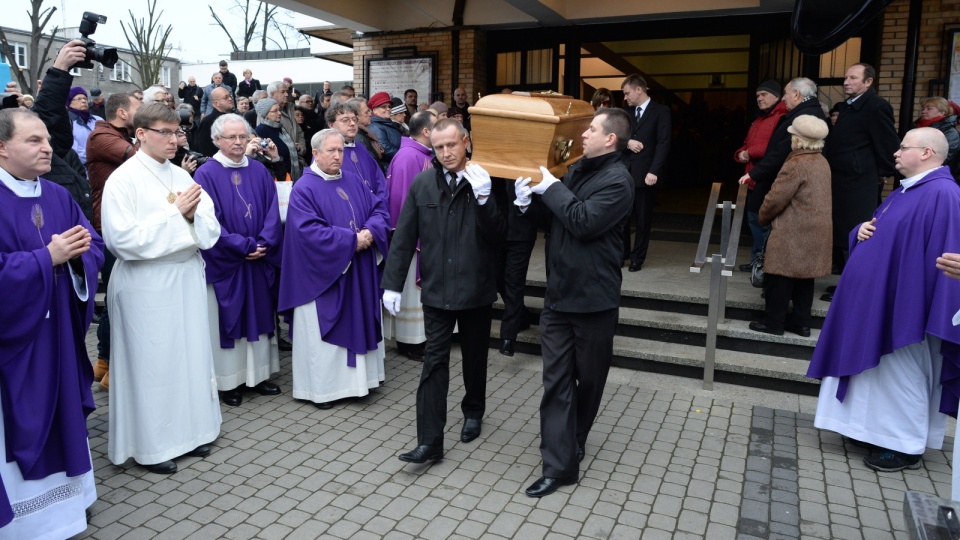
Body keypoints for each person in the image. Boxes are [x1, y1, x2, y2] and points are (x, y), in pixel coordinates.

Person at [806, 127, 960, 473]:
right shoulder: (907, 191)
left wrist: (919, 307)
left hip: (904, 308)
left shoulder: (943, 194)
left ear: (926, 153)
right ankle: (872, 431)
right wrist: (859, 231)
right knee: (877, 375)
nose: (895, 152)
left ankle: (903, 445)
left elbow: (946, 258)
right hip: (877, 302)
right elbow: (882, 231)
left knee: (900, 374)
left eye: (903, 147)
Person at [512, 108, 634, 497]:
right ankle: (559, 464)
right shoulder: (577, 169)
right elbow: (556, 222)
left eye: (591, 130)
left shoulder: (619, 180)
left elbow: (582, 221)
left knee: (590, 381)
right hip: (559, 297)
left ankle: (576, 437)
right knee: (556, 381)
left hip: (595, 300)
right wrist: (527, 204)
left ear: (610, 138)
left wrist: (550, 188)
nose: (583, 135)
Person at [101, 102, 222, 475]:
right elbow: (121, 240)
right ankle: (154, 445)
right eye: (165, 132)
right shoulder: (122, 180)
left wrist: (188, 221)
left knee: (190, 355)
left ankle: (194, 431)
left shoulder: (182, 176)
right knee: (154, 362)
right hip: (146, 285)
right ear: (140, 134)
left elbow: (210, 227)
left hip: (184, 278)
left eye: (178, 132)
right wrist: (177, 217)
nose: (175, 139)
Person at [0, 107, 103, 539]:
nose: (48, 148)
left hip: (57, 333)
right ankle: (26, 521)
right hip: (15, 344)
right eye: (34, 141)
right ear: (2, 148)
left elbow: (93, 245)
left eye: (47, 139)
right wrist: (47, 259)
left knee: (63, 412)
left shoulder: (59, 195)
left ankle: (71, 503)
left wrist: (79, 258)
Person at [381, 119, 506, 464]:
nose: (446, 153)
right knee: (434, 363)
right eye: (439, 147)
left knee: (475, 356)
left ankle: (474, 411)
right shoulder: (423, 183)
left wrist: (484, 199)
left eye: (452, 145)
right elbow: (405, 235)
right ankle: (430, 441)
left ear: (466, 142)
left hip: (476, 287)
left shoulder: (485, 180)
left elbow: (499, 236)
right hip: (436, 288)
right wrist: (392, 283)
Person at [278, 129, 390, 409]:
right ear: (315, 153)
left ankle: (359, 383)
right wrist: (353, 240)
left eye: (341, 150)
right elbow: (308, 233)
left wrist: (371, 232)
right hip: (323, 277)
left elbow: (379, 209)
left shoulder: (352, 180)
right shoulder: (304, 188)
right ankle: (324, 390)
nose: (338, 156)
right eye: (331, 150)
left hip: (357, 271)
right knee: (323, 334)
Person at [195, 114, 283, 407]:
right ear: (216, 140)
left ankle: (258, 376)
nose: (237, 142)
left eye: (242, 137)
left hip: (257, 259)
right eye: (230, 137)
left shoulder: (259, 170)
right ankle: (229, 381)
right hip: (228, 262)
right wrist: (242, 246)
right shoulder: (206, 174)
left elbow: (273, 210)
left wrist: (264, 243)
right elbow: (208, 223)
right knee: (227, 320)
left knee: (259, 314)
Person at [747, 115, 832, 337]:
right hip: (817, 229)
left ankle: (774, 323)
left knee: (779, 276)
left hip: (793, 229)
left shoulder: (795, 163)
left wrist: (763, 216)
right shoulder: (821, 161)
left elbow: (776, 198)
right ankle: (801, 324)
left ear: (798, 139)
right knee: (805, 277)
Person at [822, 63, 900, 284]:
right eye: (846, 77)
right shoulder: (848, 106)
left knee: (856, 233)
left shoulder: (876, 106)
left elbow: (888, 143)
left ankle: (855, 286)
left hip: (858, 181)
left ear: (868, 82)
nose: (846, 82)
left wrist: (883, 172)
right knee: (844, 234)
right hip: (842, 179)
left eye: (853, 78)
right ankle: (846, 284)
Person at [86, 92, 142, 390]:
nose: (142, 114)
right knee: (117, 298)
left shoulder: (119, 134)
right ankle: (110, 366)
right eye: (139, 109)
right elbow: (140, 158)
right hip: (110, 228)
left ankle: (106, 363)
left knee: (117, 298)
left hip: (124, 224)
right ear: (122, 112)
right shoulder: (102, 137)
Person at [383, 110, 436, 360]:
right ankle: (409, 341)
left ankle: (420, 338)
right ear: (426, 131)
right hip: (413, 240)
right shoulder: (407, 157)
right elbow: (403, 202)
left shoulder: (425, 154)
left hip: (428, 234)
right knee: (411, 294)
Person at [733, 79, 788, 270]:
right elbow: (747, 143)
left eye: (764, 94)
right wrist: (740, 153)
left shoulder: (783, 117)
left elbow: (776, 148)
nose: (759, 98)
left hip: (768, 177)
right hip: (752, 176)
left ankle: (764, 263)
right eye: (757, 95)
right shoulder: (758, 118)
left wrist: (750, 152)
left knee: (763, 222)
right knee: (754, 220)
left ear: (776, 96)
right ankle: (757, 260)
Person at [620, 74, 671, 272]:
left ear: (638, 90)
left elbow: (664, 143)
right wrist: (627, 143)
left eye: (627, 93)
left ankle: (637, 257)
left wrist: (654, 171)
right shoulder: (626, 112)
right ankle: (622, 254)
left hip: (646, 174)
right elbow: (616, 138)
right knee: (622, 217)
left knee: (642, 219)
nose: (625, 97)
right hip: (625, 173)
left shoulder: (661, 111)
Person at [327, 100, 387, 204]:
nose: (352, 123)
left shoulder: (361, 148)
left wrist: (380, 209)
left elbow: (380, 182)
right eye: (345, 120)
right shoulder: (325, 154)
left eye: (354, 119)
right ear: (331, 125)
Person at [255, 97, 301, 181]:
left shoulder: (280, 128)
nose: (279, 113)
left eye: (279, 110)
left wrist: (293, 147)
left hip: (289, 175)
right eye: (275, 111)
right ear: (266, 114)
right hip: (277, 178)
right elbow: (264, 157)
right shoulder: (261, 131)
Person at [914, 96, 960, 167]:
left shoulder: (950, 132)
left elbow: (945, 158)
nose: (924, 111)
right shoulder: (916, 126)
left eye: (929, 109)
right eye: (923, 108)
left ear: (942, 112)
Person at [367, 92, 403, 171]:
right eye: (384, 107)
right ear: (375, 110)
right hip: (387, 169)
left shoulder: (387, 123)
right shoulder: (375, 126)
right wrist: (404, 154)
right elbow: (385, 149)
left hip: (394, 165)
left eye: (389, 106)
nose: (388, 109)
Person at [66, 86, 101, 166]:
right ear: (70, 103)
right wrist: (95, 158)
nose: (83, 101)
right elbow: (73, 148)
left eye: (85, 98)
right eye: (79, 99)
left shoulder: (98, 120)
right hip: (80, 169)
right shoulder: (67, 123)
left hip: (101, 167)